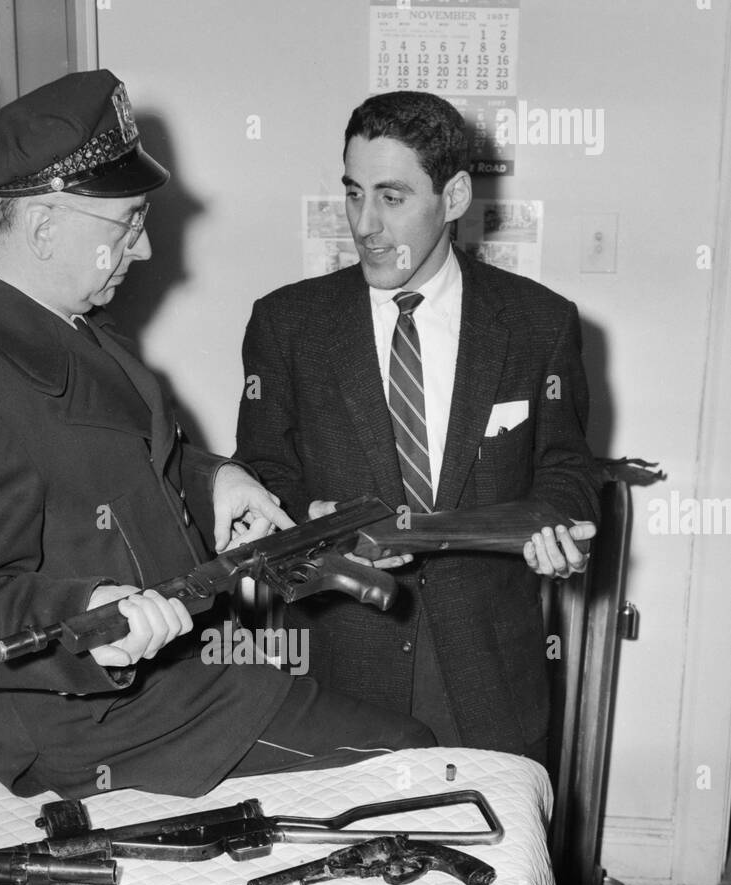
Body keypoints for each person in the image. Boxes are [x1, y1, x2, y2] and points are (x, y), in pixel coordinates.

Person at [0, 71, 439, 801]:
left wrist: (214, 483)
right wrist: (83, 612)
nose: (141, 252)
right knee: (412, 761)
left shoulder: (61, 323)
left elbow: (119, 458)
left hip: (185, 674)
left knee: (409, 746)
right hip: (103, 720)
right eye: (127, 225)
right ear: (46, 227)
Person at [236, 91, 603, 765]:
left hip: (488, 674)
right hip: (338, 670)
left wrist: (560, 531)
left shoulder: (537, 324)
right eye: (353, 194)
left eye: (392, 197)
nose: (365, 224)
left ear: (454, 195)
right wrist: (309, 525)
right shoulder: (286, 325)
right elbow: (260, 481)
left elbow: (566, 467)